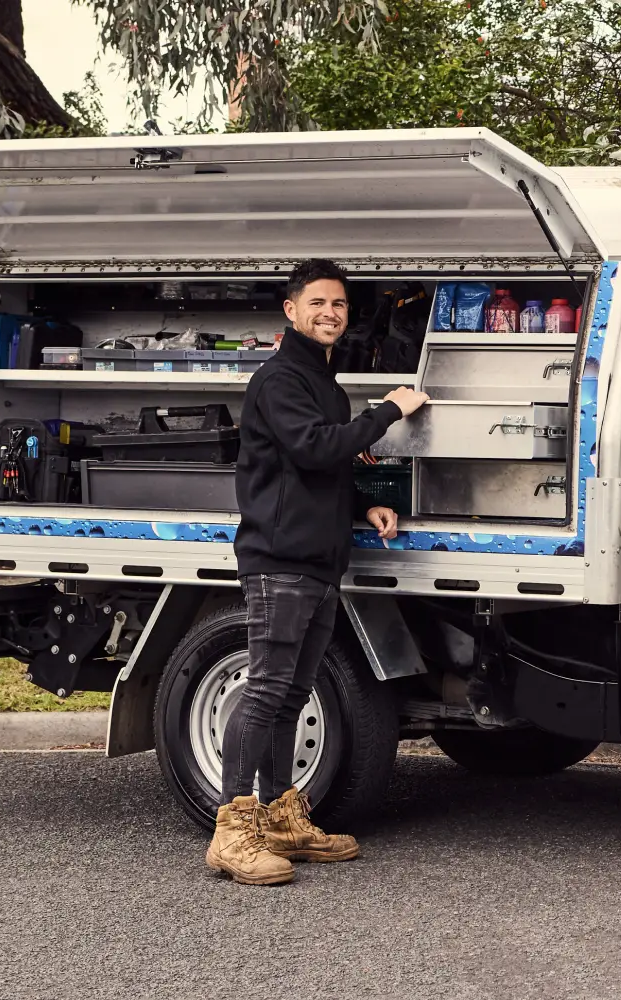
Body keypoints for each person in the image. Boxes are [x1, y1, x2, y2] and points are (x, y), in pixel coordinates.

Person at [205, 258, 429, 885]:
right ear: (291, 310)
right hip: (281, 562)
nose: (331, 313)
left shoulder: (324, 384)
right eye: (318, 303)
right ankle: (233, 829)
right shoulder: (279, 379)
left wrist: (366, 502)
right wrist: (388, 411)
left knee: (292, 696)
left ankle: (282, 819)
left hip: (318, 562)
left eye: (340, 305)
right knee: (269, 691)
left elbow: (320, 464)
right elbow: (312, 446)